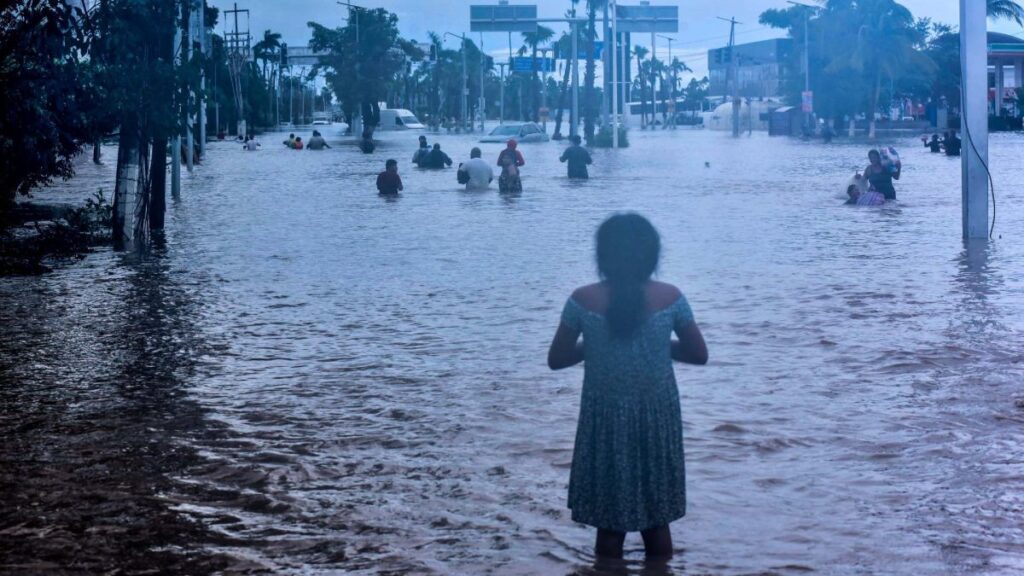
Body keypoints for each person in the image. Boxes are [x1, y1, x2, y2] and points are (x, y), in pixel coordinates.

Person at [547, 213, 708, 562]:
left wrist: (593, 344)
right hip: (656, 418)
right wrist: (659, 344)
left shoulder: (581, 299)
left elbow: (557, 358)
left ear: (602, 255)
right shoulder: (671, 297)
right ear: (652, 254)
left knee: (609, 526)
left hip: (605, 422)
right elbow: (698, 354)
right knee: (657, 523)